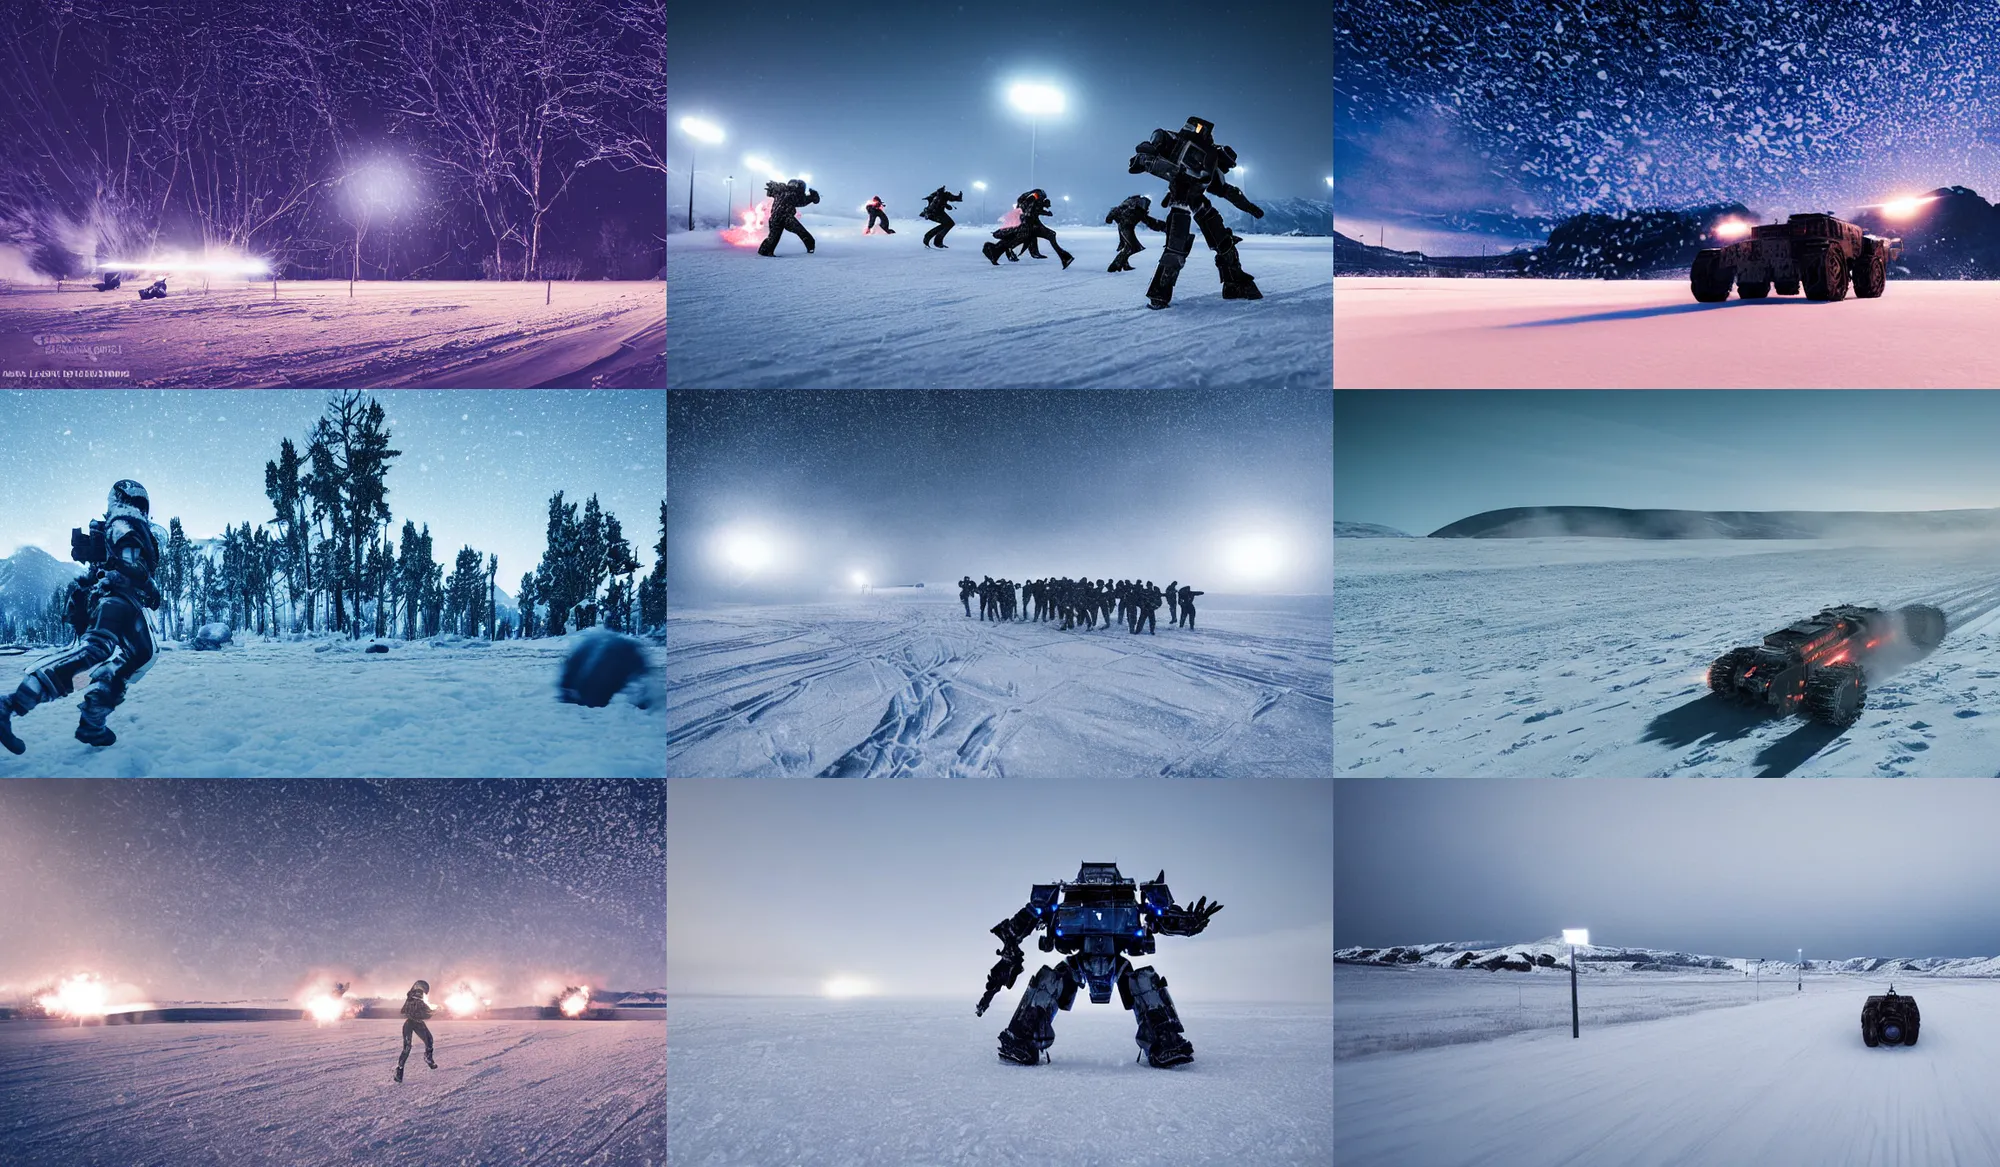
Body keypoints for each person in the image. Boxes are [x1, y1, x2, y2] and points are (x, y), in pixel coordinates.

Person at [0, 481, 162, 754]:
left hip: (127, 600)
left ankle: (93, 717)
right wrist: (149, 584)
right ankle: (12, 703)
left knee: (140, 656)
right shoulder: (124, 521)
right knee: (97, 650)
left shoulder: (125, 522)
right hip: (115, 599)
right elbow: (128, 555)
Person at [1127, 116, 1265, 308]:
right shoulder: (1186, 145)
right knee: (1177, 246)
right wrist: (1144, 158)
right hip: (1183, 199)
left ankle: (1234, 283)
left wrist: (1248, 206)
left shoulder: (1211, 161)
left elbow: (1226, 190)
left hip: (1194, 200)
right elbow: (1150, 148)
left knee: (1222, 241)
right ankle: (1160, 293)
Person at [983, 189, 1074, 269]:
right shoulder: (1035, 197)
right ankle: (995, 252)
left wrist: (1045, 212)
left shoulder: (1034, 199)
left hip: (1031, 224)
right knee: (1013, 241)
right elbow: (1029, 211)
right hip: (1028, 225)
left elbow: (1033, 210)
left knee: (1014, 241)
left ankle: (1064, 257)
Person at [757, 179, 821, 257]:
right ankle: (810, 249)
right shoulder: (794, 194)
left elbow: (771, 193)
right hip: (786, 218)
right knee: (803, 233)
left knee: (773, 237)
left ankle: (764, 251)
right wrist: (812, 197)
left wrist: (773, 187)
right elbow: (802, 201)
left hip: (774, 217)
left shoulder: (781, 191)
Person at [1105, 195, 1168, 272]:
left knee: (1127, 246)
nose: (1148, 208)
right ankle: (1114, 266)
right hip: (1126, 229)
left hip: (1123, 228)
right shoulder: (1138, 211)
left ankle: (1125, 265)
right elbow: (1150, 222)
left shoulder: (1128, 207)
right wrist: (1163, 227)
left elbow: (1112, 216)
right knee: (1132, 247)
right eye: (1147, 205)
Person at [395, 979, 438, 1083]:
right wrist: (433, 1012)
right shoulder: (415, 1000)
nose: (420, 995)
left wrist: (431, 1011)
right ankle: (400, 1070)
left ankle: (400, 1070)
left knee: (411, 1046)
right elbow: (426, 1013)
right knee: (423, 1042)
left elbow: (404, 1011)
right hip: (414, 1023)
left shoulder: (411, 1000)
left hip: (412, 1023)